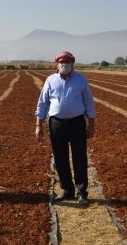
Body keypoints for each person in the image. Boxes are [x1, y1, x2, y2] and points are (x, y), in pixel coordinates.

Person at [35, 51, 96, 207]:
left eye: (67, 62)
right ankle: (67, 190)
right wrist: (38, 124)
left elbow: (88, 101)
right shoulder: (50, 80)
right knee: (60, 158)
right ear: (56, 64)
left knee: (79, 157)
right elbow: (43, 102)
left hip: (77, 123)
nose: (64, 65)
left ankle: (82, 192)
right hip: (56, 124)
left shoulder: (80, 80)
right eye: (61, 62)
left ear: (72, 64)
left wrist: (91, 123)